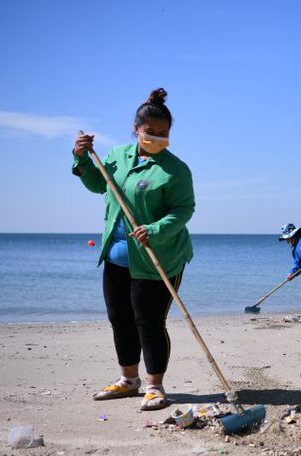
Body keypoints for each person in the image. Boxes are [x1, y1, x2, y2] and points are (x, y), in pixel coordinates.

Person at [72, 88, 195, 410]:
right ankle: (128, 380)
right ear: (136, 129)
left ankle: (155, 386)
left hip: (159, 258)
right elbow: (99, 185)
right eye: (149, 132)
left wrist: (154, 229)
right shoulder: (116, 156)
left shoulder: (175, 169)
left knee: (150, 322)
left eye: (163, 133)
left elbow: (183, 210)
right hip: (116, 257)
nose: (156, 137)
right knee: (120, 319)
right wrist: (81, 158)